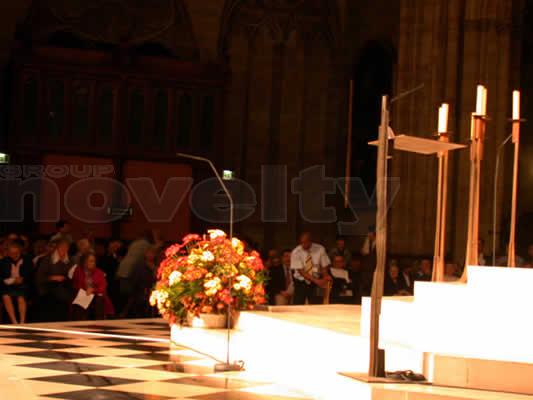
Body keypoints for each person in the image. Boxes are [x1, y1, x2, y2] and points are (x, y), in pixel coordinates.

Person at [116, 230, 156, 314]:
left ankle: (122, 313)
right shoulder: (146, 245)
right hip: (130, 273)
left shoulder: (134, 243)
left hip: (123, 270)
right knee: (131, 296)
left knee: (124, 298)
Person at [36, 239, 74, 321]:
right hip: (49, 286)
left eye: (66, 248)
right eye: (62, 247)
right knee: (58, 294)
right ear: (57, 248)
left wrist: (66, 277)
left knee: (66, 293)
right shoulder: (47, 259)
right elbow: (39, 277)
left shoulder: (70, 260)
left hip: (64, 285)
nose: (64, 250)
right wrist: (53, 277)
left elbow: (72, 274)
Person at [290, 232, 332, 305]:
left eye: (305, 242)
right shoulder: (296, 252)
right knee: (298, 305)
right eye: (302, 243)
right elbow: (301, 271)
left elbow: (324, 265)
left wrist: (325, 276)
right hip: (300, 281)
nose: (303, 245)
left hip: (316, 280)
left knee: (315, 304)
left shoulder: (320, 249)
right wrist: (317, 281)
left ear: (310, 241)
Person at [71, 253, 113, 320]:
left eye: (94, 261)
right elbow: (76, 284)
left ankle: (99, 321)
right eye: (91, 261)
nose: (93, 263)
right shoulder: (78, 271)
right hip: (83, 294)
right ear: (84, 262)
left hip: (95, 295)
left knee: (99, 300)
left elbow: (103, 287)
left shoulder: (99, 272)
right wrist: (85, 290)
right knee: (80, 303)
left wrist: (93, 290)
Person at [0, 241, 32, 324]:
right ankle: (14, 321)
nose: (13, 255)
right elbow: (2, 276)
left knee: (20, 297)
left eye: (16, 253)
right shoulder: (4, 261)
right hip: (8, 285)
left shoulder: (27, 260)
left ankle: (22, 322)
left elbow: (29, 275)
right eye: (11, 253)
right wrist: (10, 280)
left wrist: (21, 279)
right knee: (5, 296)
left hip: (23, 285)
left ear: (20, 251)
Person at [360, 226, 377, 296]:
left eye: (370, 233)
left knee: (373, 288)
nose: (368, 234)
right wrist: (367, 240)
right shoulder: (367, 241)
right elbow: (364, 252)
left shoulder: (379, 242)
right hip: (366, 269)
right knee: (365, 288)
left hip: (374, 268)